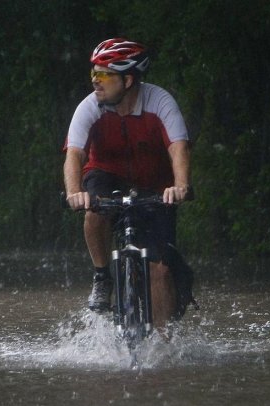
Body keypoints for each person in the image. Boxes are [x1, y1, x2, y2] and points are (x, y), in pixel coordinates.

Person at [63, 38, 192, 327]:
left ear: (129, 79)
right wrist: (74, 192)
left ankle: (163, 345)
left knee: (161, 271)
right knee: (94, 210)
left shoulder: (160, 102)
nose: (96, 81)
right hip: (106, 174)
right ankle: (102, 276)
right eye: (93, 74)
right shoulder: (90, 107)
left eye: (104, 75)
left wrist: (180, 185)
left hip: (156, 185)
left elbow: (178, 147)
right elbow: (75, 153)